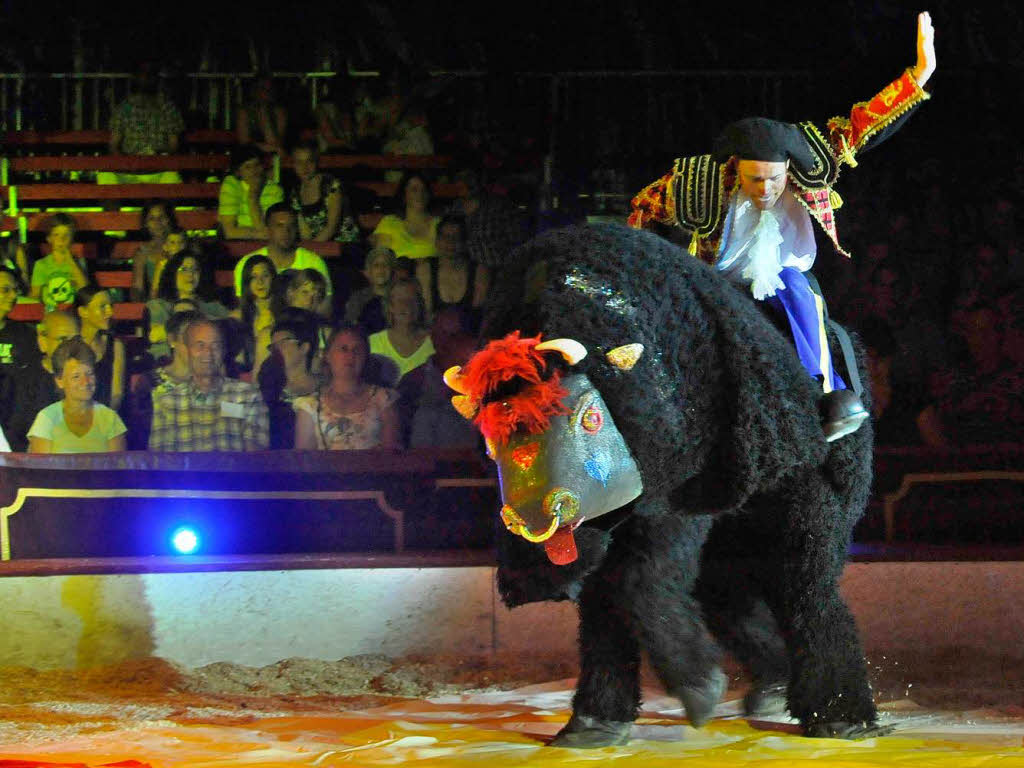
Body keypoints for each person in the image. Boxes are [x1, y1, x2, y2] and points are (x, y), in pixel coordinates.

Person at [628, 12, 936, 442]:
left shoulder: (811, 162)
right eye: (755, 179)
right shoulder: (697, 182)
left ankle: (825, 396)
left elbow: (863, 125)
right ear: (737, 169)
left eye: (775, 179)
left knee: (799, 291)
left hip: (785, 277)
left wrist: (918, 76)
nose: (766, 189)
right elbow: (640, 212)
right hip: (714, 282)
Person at [149, 317, 269, 451]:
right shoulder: (167, 401)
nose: (208, 353)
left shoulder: (246, 396)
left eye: (215, 346)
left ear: (223, 351)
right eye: (200, 345)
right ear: (188, 351)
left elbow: (255, 458)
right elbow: (160, 459)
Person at [293, 325, 401, 450]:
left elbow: (392, 457)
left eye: (357, 349)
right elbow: (304, 461)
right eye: (343, 349)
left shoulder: (384, 399)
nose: (350, 355)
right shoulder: (310, 406)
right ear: (327, 355)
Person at [27, 337, 126, 453]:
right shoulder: (47, 418)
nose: (86, 382)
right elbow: (39, 468)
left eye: (90, 374)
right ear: (59, 381)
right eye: (76, 376)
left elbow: (116, 468)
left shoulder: (110, 419)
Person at [233, 204, 333, 315]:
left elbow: (325, 306)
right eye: (279, 226)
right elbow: (243, 307)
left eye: (291, 226)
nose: (286, 231)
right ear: (267, 230)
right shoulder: (248, 263)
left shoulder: (313, 262)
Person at [4, 309, 80, 452]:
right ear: (43, 341)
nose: (71, 347)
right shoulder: (21, 382)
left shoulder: (88, 379)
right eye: (63, 339)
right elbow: (14, 435)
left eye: (76, 340)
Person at [102, 62, 185, 185]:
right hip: (129, 170)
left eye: (150, 74)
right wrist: (128, 163)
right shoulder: (124, 108)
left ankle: (157, 205)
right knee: (106, 176)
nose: (146, 78)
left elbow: (174, 145)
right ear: (135, 78)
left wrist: (159, 158)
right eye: (143, 74)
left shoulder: (167, 108)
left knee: (172, 178)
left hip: (159, 170)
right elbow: (113, 145)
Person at [147, 251, 228, 361]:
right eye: (184, 269)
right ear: (173, 273)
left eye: (195, 270)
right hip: (166, 362)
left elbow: (225, 331)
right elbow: (155, 335)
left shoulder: (214, 307)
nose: (190, 274)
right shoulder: (159, 305)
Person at [258, 308, 321, 449]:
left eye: (283, 343)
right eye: (273, 346)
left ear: (304, 347)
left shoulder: (324, 387)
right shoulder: (270, 388)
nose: (277, 350)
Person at [419, 213, 488, 328]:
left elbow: (477, 317)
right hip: (434, 336)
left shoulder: (479, 271)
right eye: (445, 236)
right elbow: (426, 315)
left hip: (469, 337)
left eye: (456, 237)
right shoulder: (425, 270)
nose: (450, 242)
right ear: (437, 241)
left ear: (465, 242)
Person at [0, 266, 40, 448]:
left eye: (15, 290)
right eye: (5, 290)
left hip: (15, 429)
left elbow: (31, 386)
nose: (13, 296)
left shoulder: (25, 334)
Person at [287, 140, 357, 242]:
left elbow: (332, 227)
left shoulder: (331, 185)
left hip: (344, 244)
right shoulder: (295, 194)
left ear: (316, 162)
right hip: (318, 248)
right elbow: (305, 233)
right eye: (299, 162)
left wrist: (313, 250)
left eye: (309, 161)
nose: (305, 167)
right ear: (293, 164)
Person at [368, 278, 434, 381]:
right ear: (390, 306)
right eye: (400, 301)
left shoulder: (435, 343)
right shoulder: (374, 344)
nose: (407, 306)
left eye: (413, 300)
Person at [74, 287, 126, 411]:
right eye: (102, 306)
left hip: (105, 416)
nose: (110, 312)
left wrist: (105, 419)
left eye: (110, 306)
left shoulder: (115, 345)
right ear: (83, 312)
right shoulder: (70, 346)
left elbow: (116, 393)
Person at [218, 145, 285, 240]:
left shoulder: (274, 190)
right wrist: (256, 234)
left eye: (257, 165)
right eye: (248, 167)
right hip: (237, 243)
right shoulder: (231, 183)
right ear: (238, 172)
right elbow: (229, 232)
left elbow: (268, 234)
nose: (254, 171)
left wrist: (253, 198)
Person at [369, 172, 438, 260]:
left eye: (424, 190)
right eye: (414, 189)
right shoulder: (389, 223)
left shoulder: (439, 224)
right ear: (404, 195)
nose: (420, 194)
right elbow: (382, 260)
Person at [30, 213, 89, 311]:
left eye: (66, 235)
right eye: (56, 235)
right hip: (50, 313)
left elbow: (85, 290)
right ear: (49, 238)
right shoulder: (41, 265)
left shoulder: (79, 263)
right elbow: (35, 295)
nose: (61, 240)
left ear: (72, 238)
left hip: (73, 312)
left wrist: (70, 261)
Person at [230, 255, 277, 374]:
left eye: (265, 276)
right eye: (254, 277)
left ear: (273, 278)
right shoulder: (238, 316)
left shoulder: (284, 314)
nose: (260, 282)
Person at [129, 201, 179, 301]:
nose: (157, 223)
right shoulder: (142, 252)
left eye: (162, 217)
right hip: (158, 303)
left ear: (169, 219)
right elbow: (137, 287)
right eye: (152, 219)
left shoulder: (182, 244)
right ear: (146, 224)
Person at [344, 246, 394, 333]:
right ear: (369, 271)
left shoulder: (399, 297)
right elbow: (350, 328)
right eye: (376, 265)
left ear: (392, 270)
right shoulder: (357, 298)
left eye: (385, 264)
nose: (381, 269)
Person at [236, 73, 288, 155]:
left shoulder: (278, 111)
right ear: (254, 90)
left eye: (269, 89)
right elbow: (244, 142)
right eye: (262, 88)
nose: (265, 93)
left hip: (274, 152)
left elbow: (277, 142)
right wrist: (263, 147)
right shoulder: (244, 112)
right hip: (251, 154)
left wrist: (265, 114)